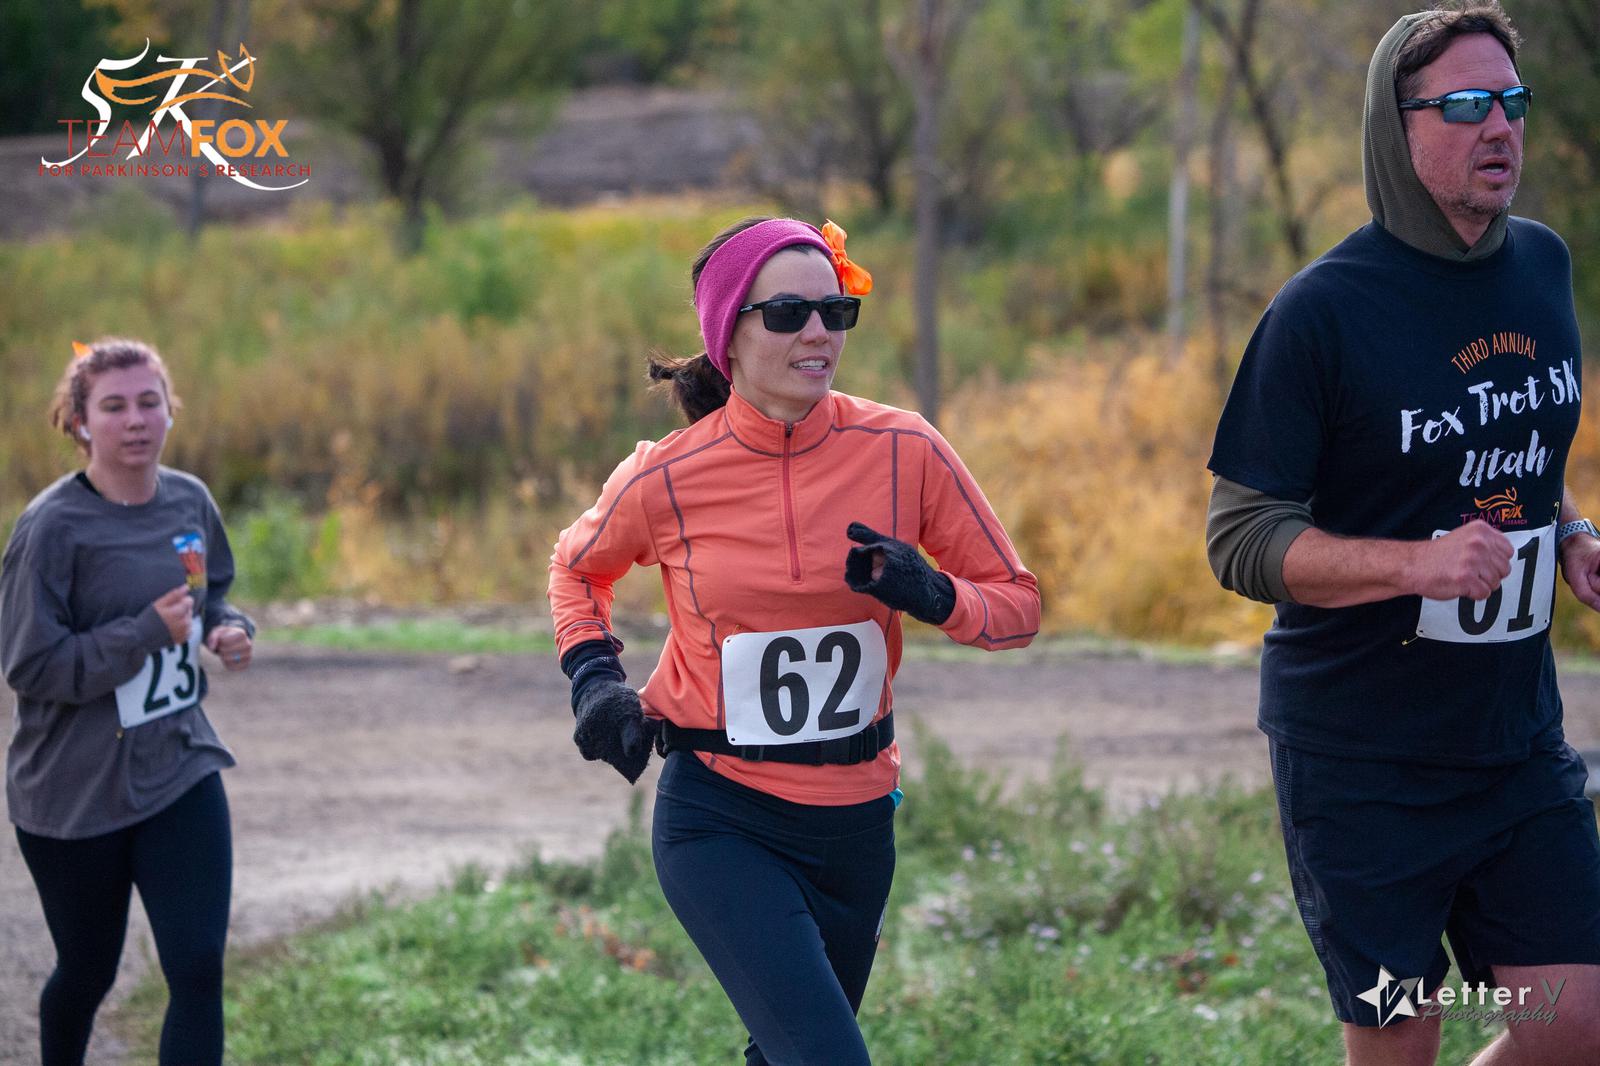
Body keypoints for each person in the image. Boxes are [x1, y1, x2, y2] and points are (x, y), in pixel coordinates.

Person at [548, 216, 1040, 1064]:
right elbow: (576, 569)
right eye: (787, 314)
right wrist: (594, 676)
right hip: (720, 815)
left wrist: (931, 592)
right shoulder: (665, 476)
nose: (817, 331)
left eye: (834, 311)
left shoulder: (905, 449)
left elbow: (1018, 606)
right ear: (728, 333)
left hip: (857, 828)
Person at [1206, 4, 1600, 1064]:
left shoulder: (1542, 266)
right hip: (1362, 767)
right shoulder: (1321, 312)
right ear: (1396, 124)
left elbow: (1513, 449)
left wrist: (1570, 533)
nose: (1499, 128)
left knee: (1572, 1027)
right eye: (1465, 105)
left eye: (1512, 102)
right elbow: (1240, 538)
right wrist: (1415, 565)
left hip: (1513, 746)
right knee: (1399, 1039)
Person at [1, 338, 254, 1066]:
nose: (135, 420)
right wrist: (143, 633)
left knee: (199, 969)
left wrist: (226, 629)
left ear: (170, 411)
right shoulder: (52, 529)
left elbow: (213, 593)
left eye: (150, 402)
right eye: (113, 407)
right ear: (80, 423)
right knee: (86, 974)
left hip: (179, 765)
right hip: (72, 791)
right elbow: (29, 664)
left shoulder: (189, 499)